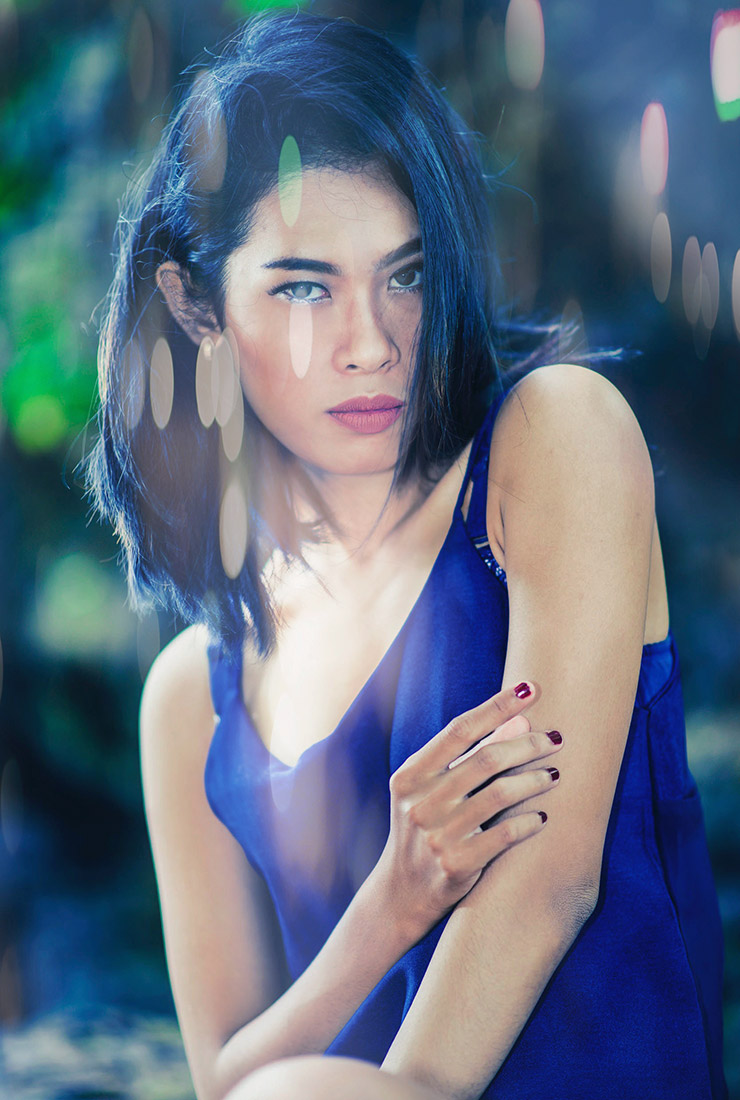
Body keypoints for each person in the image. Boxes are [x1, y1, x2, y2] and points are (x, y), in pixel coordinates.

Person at [87, 10, 727, 1100]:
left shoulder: (554, 439)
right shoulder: (191, 698)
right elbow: (227, 1078)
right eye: (303, 286)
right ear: (195, 308)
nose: (372, 343)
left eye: (406, 274)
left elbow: (549, 885)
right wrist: (392, 900)